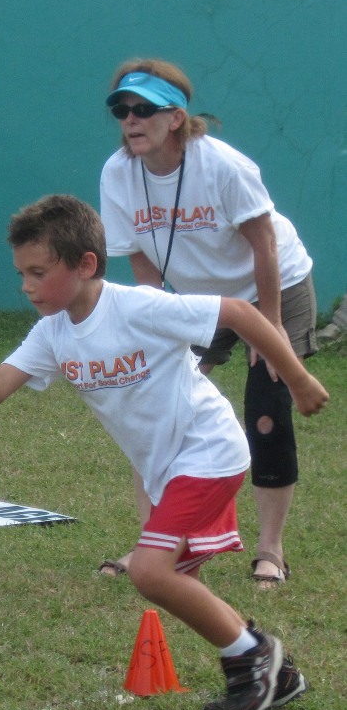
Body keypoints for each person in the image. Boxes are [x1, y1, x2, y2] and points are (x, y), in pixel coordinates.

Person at [0, 195, 327, 710]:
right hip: (170, 468)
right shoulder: (53, 332)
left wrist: (297, 378)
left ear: (86, 264)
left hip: (208, 450)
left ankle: (253, 657)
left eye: (38, 272)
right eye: (21, 272)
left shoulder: (136, 305)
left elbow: (238, 312)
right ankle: (266, 665)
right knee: (170, 576)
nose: (25, 285)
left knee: (150, 570)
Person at [99, 59, 317, 588]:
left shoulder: (222, 166)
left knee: (266, 412)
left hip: (273, 286)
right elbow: (141, 260)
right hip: (199, 299)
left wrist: (268, 330)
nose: (131, 119)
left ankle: (271, 550)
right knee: (157, 412)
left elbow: (263, 243)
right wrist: (155, 331)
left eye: (144, 109)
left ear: (175, 117)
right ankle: (153, 542)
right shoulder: (117, 173)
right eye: (122, 110)